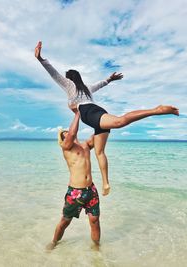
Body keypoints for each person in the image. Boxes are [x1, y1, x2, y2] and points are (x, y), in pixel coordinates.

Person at [35, 41, 179, 196]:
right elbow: (100, 84)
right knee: (99, 152)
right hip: (96, 112)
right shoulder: (87, 88)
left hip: (89, 114)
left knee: (119, 121)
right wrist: (110, 79)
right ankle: (105, 184)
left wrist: (41, 59)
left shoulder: (69, 85)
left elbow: (53, 73)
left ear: (69, 78)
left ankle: (156, 110)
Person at [46, 111, 100, 250]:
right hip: (76, 192)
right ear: (63, 140)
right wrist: (78, 113)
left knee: (94, 220)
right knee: (65, 221)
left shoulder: (86, 146)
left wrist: (99, 118)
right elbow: (71, 133)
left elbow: (99, 133)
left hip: (91, 190)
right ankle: (54, 242)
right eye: (65, 135)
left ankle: (97, 248)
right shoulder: (66, 148)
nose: (68, 135)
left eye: (68, 133)